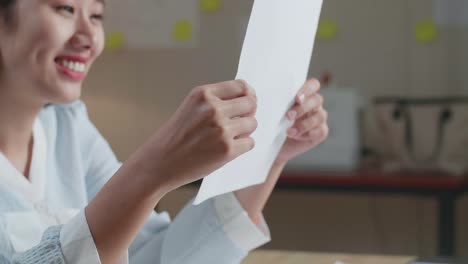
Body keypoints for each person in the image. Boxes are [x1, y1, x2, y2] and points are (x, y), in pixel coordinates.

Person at [0, 0, 328, 263]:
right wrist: (152, 170)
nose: (89, 37)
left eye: (97, 15)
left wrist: (271, 151)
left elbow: (157, 254)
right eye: (66, 9)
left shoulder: (69, 127)